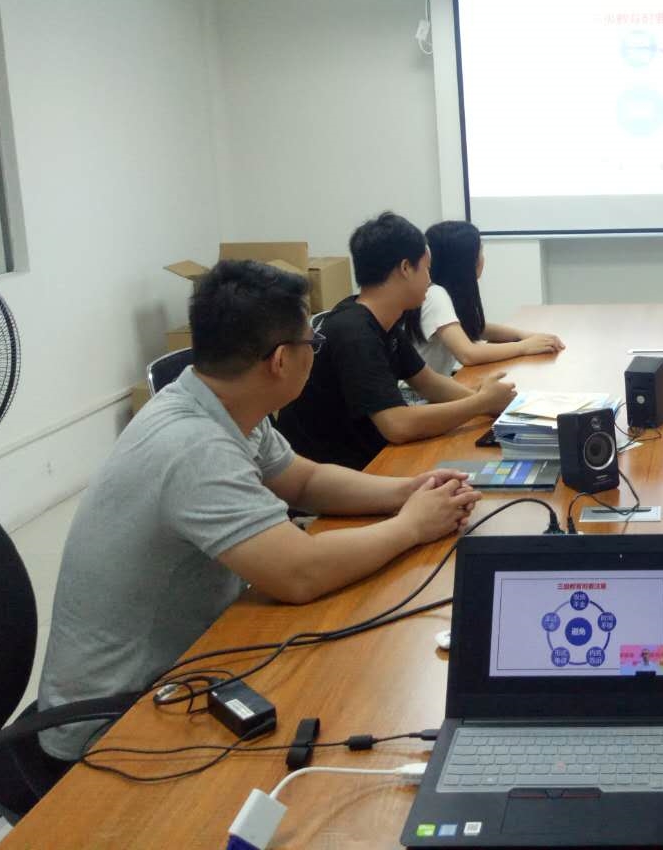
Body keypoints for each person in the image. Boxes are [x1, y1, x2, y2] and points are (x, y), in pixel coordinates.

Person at [37, 260, 482, 765]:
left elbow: (304, 480)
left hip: (190, 664)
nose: (314, 352)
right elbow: (298, 573)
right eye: (311, 343)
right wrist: (411, 526)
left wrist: (406, 491)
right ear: (281, 360)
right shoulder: (194, 447)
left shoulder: (220, 402)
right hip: (115, 723)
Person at [276, 213, 517, 470]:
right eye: (426, 268)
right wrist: (480, 402)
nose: (429, 280)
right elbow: (398, 425)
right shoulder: (355, 332)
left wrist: (491, 404)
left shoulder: (380, 319)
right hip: (337, 471)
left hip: (363, 458)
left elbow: (429, 383)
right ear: (405, 268)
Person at [410, 219, 564, 377]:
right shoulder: (435, 296)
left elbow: (477, 328)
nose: (483, 258)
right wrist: (524, 347)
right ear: (466, 263)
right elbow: (468, 354)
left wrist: (523, 335)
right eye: (480, 252)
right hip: (415, 393)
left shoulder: (439, 292)